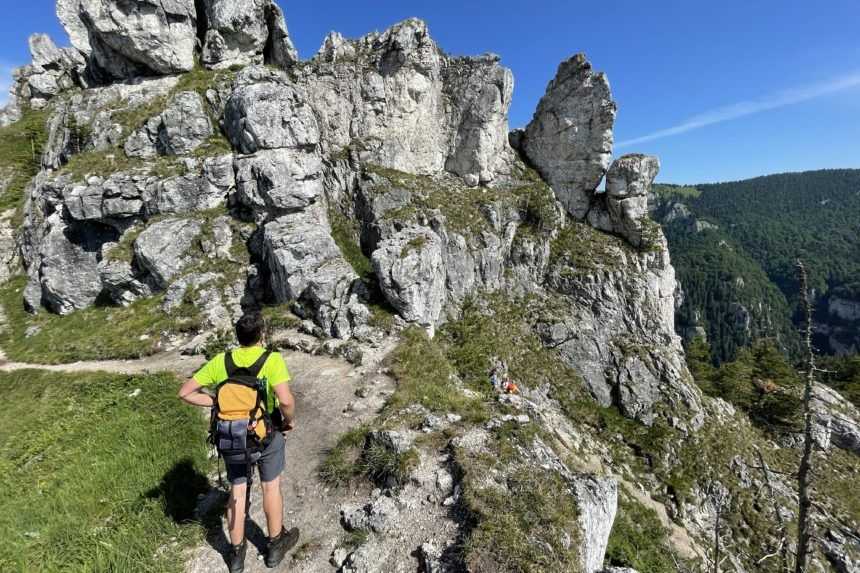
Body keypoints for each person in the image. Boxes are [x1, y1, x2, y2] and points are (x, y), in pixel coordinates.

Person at [179, 312, 299, 572]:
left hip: (231, 437)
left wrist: (217, 403)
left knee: (237, 490)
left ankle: (235, 555)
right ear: (262, 335)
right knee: (270, 487)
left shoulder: (221, 361)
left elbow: (185, 392)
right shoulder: (272, 359)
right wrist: (288, 421)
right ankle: (275, 545)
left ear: (237, 336)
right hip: (265, 434)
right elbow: (286, 401)